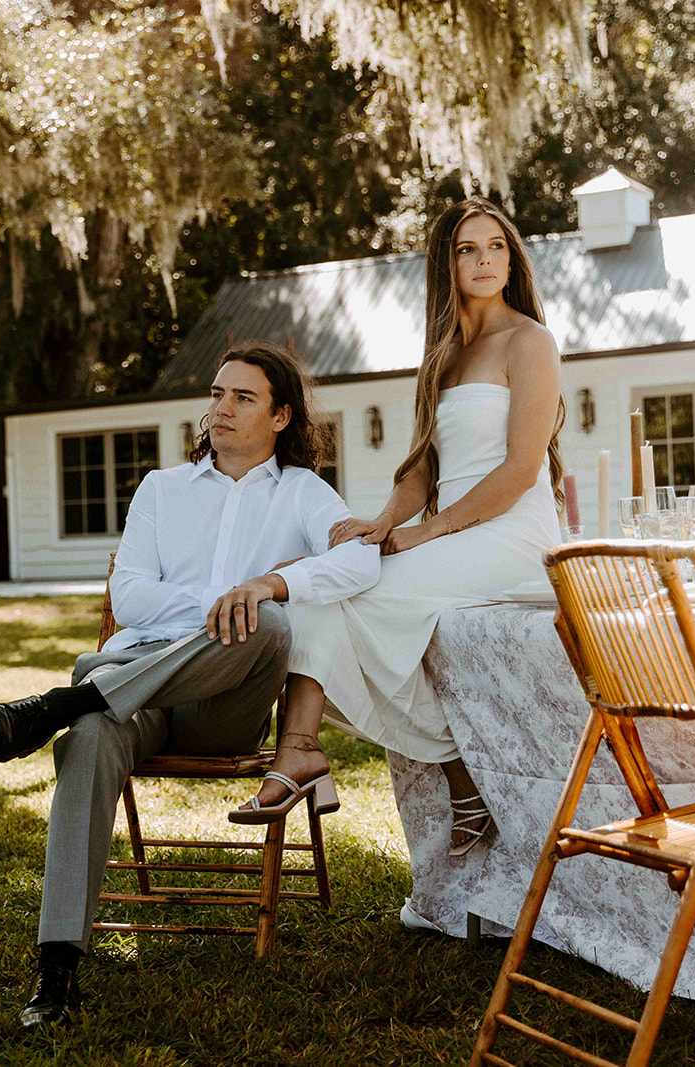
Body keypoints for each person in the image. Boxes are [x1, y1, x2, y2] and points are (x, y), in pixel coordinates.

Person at [0, 340, 380, 1031]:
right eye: (217, 394)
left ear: (280, 417)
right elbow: (128, 597)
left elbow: (358, 560)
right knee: (95, 733)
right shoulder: (161, 489)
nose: (221, 407)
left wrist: (268, 584)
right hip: (140, 689)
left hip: (224, 705)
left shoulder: (304, 492)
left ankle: (57, 706)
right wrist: (220, 606)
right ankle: (57, 969)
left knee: (270, 624)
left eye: (242, 397)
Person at [231, 197, 565, 858]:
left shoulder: (530, 340)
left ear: (513, 257)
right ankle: (301, 753)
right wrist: (382, 522)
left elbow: (523, 469)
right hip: (457, 532)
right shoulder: (444, 351)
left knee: (347, 598)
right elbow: (423, 463)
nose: (485, 261)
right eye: (468, 248)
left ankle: (438, 771)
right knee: (329, 596)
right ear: (446, 261)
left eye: (496, 246)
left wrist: (427, 531)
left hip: (513, 536)